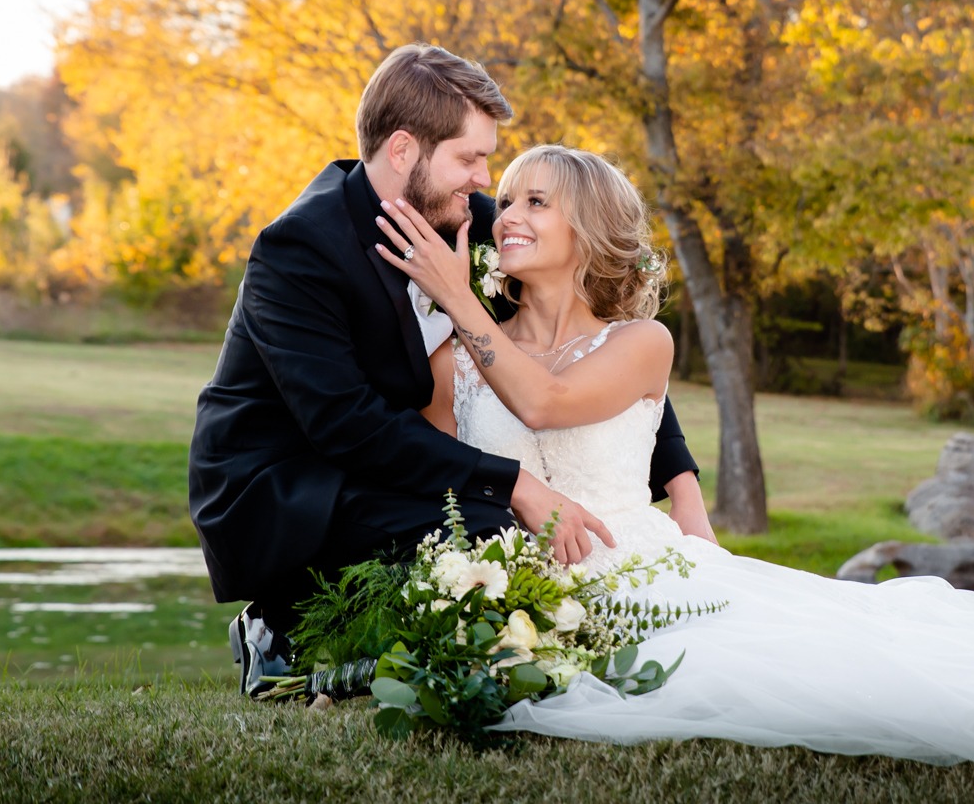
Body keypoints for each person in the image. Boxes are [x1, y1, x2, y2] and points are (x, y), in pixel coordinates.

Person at [379, 143, 974, 783]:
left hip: (639, 568)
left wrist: (453, 295)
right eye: (503, 198)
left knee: (845, 669)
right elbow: (426, 464)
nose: (506, 212)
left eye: (534, 199)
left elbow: (544, 403)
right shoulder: (451, 358)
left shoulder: (643, 342)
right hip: (513, 587)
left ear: (587, 228)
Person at [188, 45, 706, 698]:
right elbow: (347, 425)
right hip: (291, 478)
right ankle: (279, 622)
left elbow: (599, 350)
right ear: (404, 151)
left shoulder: (477, 220)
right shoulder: (298, 250)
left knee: (499, 532)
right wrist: (513, 482)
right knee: (494, 533)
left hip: (403, 455)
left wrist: (681, 487)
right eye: (470, 158)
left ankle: (411, 648)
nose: (485, 178)